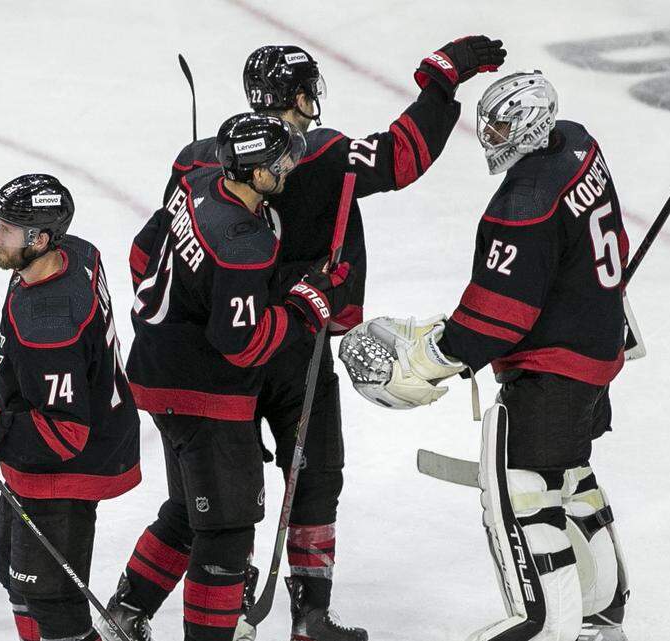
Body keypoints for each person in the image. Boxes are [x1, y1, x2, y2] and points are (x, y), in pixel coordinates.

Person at [116, 38, 505, 640]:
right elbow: (405, 153)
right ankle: (308, 615)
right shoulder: (324, 155)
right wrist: (441, 78)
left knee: (205, 507)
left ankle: (136, 610)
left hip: (221, 356)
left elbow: (148, 252)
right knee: (309, 478)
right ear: (302, 95)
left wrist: (174, 322)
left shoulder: (200, 159)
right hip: (291, 346)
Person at [340, 71, 630, 641]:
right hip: (599, 343)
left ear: (528, 125)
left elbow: (500, 312)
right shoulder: (577, 142)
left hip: (554, 368)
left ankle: (545, 625)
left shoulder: (524, 204)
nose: (490, 134)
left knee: (526, 490)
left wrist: (436, 354)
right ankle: (602, 608)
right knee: (571, 477)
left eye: (500, 123)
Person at [105, 112, 354, 641]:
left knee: (188, 508)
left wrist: (176, 323)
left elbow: (141, 252)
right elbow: (243, 345)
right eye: (279, 163)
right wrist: (303, 309)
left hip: (157, 373)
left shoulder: (196, 182)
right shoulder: (242, 240)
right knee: (226, 528)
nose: (288, 168)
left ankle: (124, 614)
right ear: (255, 174)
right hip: (202, 393)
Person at [0, 174, 141, 641]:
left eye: (7, 229)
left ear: (40, 239)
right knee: (9, 561)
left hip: (72, 464)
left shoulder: (49, 322)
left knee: (50, 594)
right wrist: (23, 356)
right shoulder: (76, 252)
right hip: (84, 429)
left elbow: (63, 435)